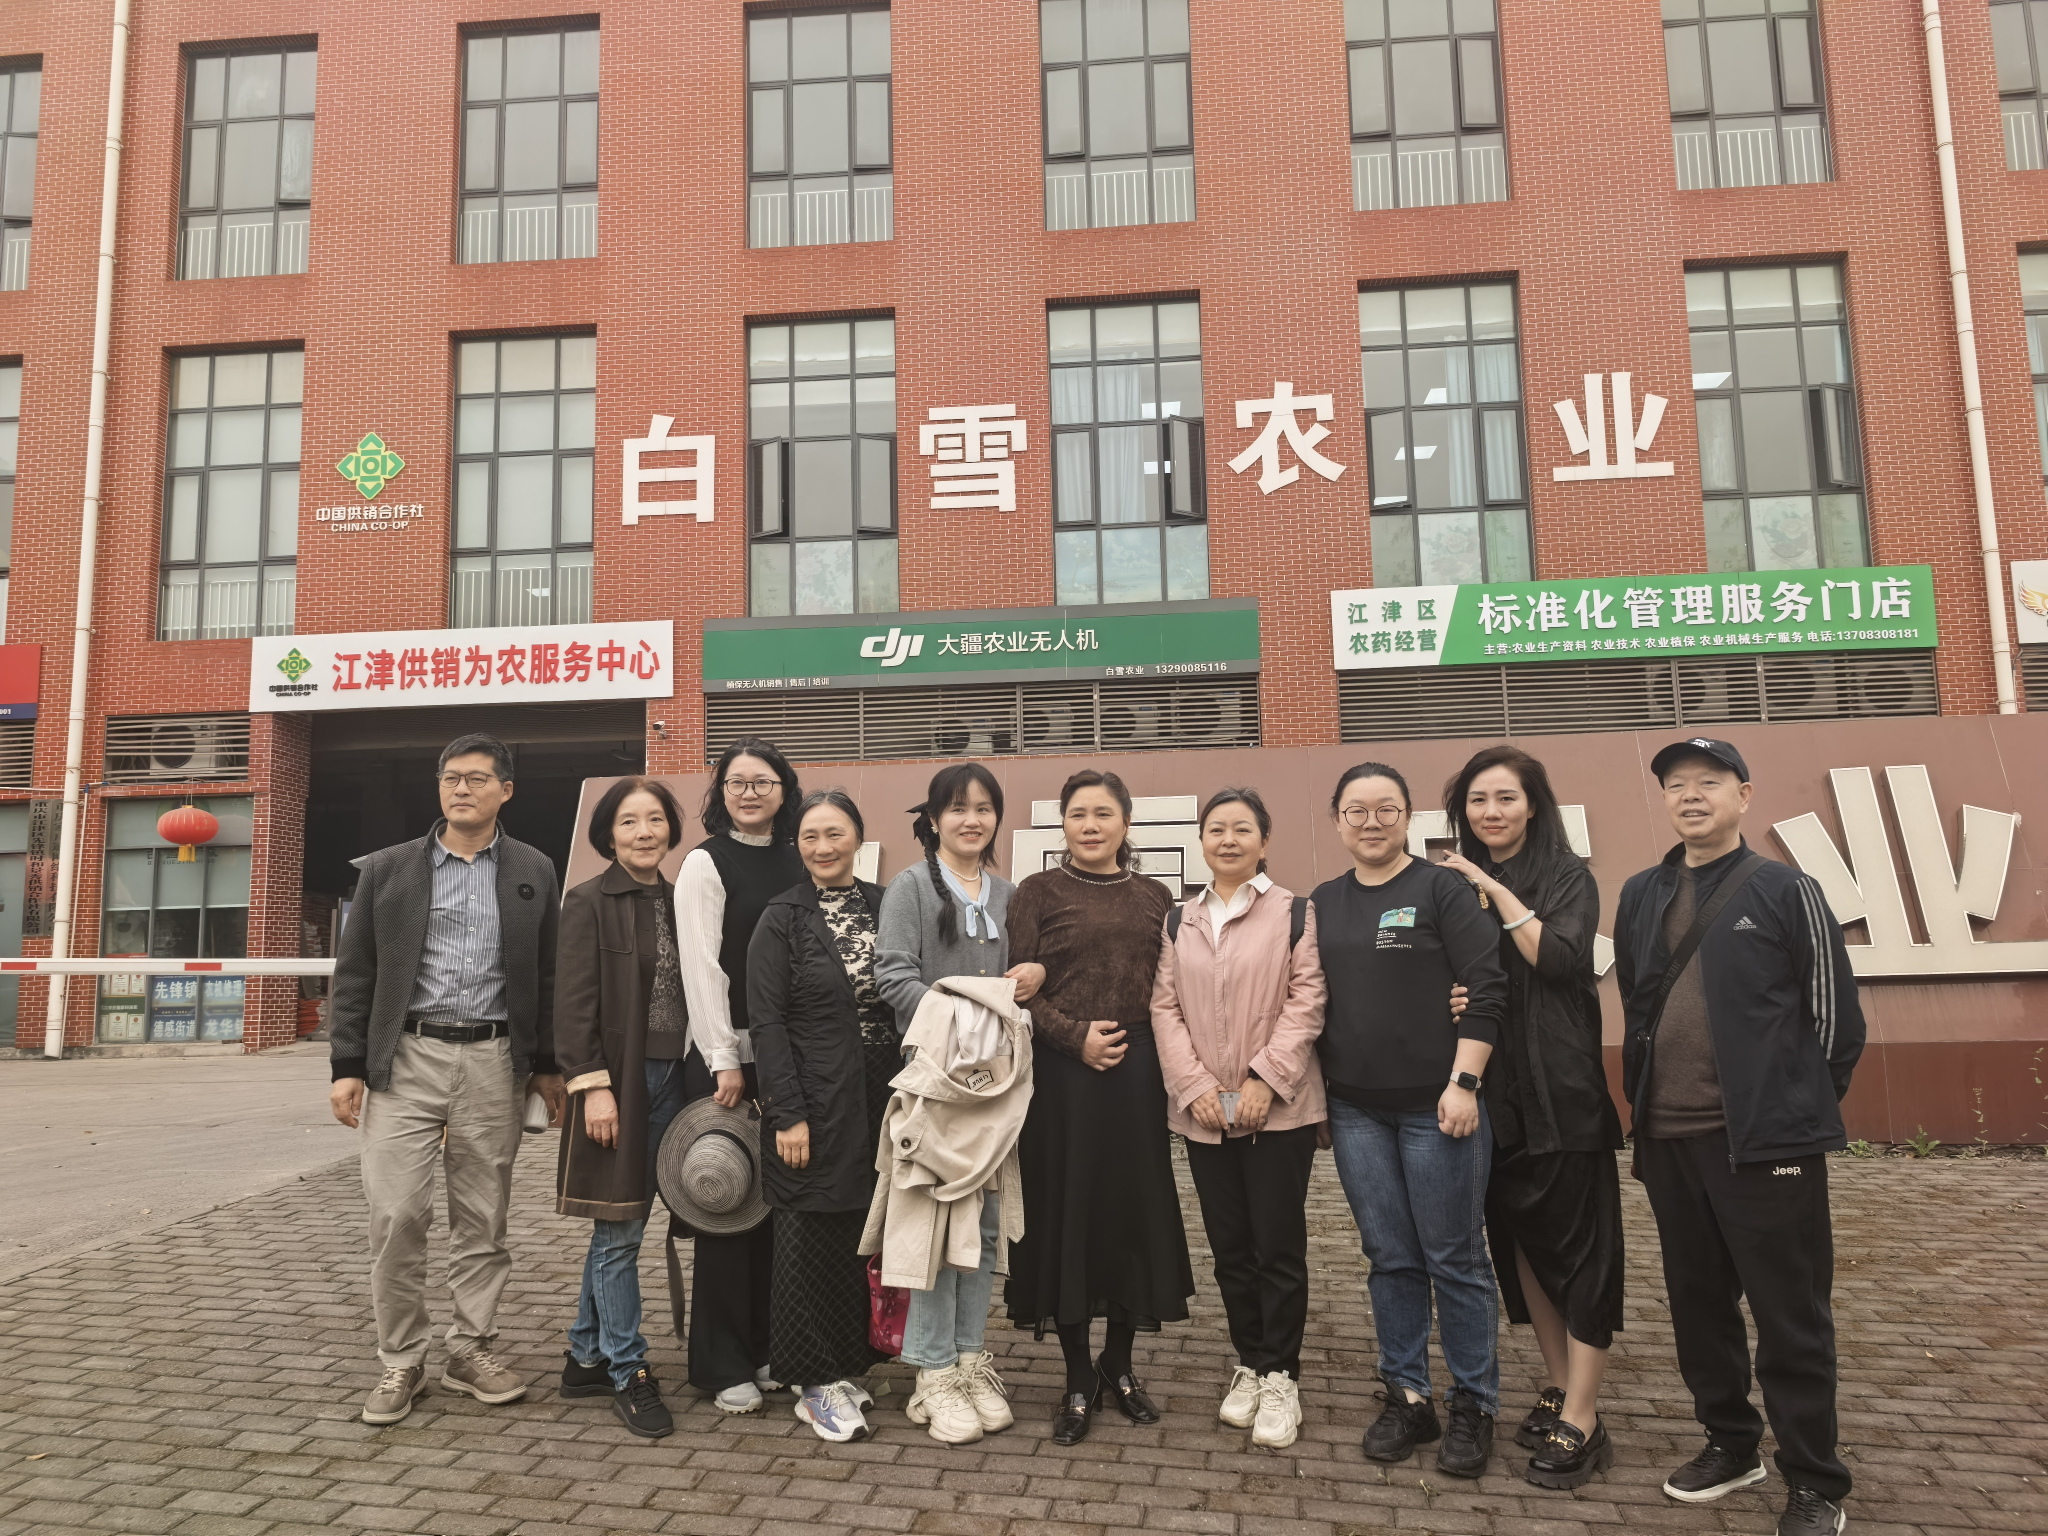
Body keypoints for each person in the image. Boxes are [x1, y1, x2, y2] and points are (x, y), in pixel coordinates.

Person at [1616, 738, 1864, 1536]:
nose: (1691, 796)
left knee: (1790, 1317)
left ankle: (1815, 1481)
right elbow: (1638, 1004)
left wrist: (1789, 1112)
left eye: (1709, 782)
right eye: (1676, 785)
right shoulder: (1641, 893)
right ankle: (1730, 1443)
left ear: (1744, 796)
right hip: (1670, 1139)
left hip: (1765, 1146)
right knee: (1698, 1306)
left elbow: (1836, 1020)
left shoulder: (1786, 889)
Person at [327, 733, 564, 1427]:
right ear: (438, 788)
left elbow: (550, 973)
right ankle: (402, 1359)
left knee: (483, 1218)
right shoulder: (389, 868)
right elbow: (355, 973)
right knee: (396, 1213)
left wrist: (547, 1064)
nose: (462, 788)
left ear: (505, 791)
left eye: (478, 778)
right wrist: (347, 1067)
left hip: (494, 1059)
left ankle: (470, 1349)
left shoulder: (533, 869)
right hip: (405, 1058)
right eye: (451, 777)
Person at [1313, 761, 1508, 1479]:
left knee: (1454, 1257)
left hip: (1438, 1105)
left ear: (1408, 816)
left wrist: (1464, 1083)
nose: (1371, 822)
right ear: (1338, 820)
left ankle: (1474, 1403)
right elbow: (1309, 1000)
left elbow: (1486, 987)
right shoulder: (1323, 901)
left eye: (1386, 809)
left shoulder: (1441, 889)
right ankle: (1408, 1395)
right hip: (1355, 1109)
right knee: (1389, 1256)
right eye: (1357, 810)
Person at [1438, 745, 1625, 1489]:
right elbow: (1457, 974)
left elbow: (1561, 959)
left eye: (1506, 798)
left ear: (1534, 805)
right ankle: (1557, 1385)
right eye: (1477, 800)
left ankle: (1585, 1414)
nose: (1491, 812)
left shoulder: (1566, 876)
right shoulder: (1454, 887)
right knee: (1521, 1245)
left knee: (1581, 1253)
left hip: (1561, 1094)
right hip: (1494, 1097)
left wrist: (1491, 887)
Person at [1004, 768, 1192, 1447]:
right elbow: (1016, 990)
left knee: (1128, 1216)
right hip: (1062, 1079)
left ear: (1126, 823)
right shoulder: (1037, 891)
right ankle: (1078, 1375)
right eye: (1078, 813)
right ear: (1063, 823)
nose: (1090, 825)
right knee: (1070, 1215)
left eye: (1103, 813)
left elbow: (1171, 987)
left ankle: (1119, 1363)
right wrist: (1072, 1037)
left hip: (1137, 1075)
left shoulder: (1155, 896)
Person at [872, 762, 1045, 1444]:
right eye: (957, 808)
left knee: (987, 1230)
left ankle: (971, 1358)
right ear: (934, 819)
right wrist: (969, 1020)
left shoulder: (1010, 894)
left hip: (996, 1091)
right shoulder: (910, 887)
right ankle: (933, 1372)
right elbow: (893, 978)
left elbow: (1024, 976)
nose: (971, 820)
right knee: (934, 1233)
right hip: (935, 1087)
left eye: (983, 808)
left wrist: (1035, 975)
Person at [1150, 787, 1326, 1451]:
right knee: (1229, 1249)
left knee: (1276, 1246)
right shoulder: (1180, 920)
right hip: (1206, 1111)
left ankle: (1282, 1375)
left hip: (1278, 1109)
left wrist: (1264, 1080)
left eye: (1242, 829)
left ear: (1263, 840)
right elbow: (1164, 1008)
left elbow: (1307, 1002)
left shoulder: (1295, 912)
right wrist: (1195, 1086)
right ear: (1201, 841)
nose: (1228, 839)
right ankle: (1250, 1362)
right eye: (1216, 829)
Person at [749, 789, 896, 1442]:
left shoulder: (887, 905)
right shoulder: (781, 917)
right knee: (806, 1237)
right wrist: (787, 1115)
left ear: (858, 838)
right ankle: (811, 1383)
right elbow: (766, 1022)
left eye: (834, 834)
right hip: (812, 1098)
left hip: (880, 1097)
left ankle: (843, 1366)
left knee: (857, 1235)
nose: (822, 847)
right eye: (809, 836)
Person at [553, 776, 691, 1438]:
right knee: (621, 1228)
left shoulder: (684, 897)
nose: (644, 831)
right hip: (621, 1080)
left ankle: (585, 1356)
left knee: (623, 1221)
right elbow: (572, 1004)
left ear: (671, 829)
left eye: (655, 819)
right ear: (608, 833)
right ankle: (627, 1369)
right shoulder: (587, 901)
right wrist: (593, 1086)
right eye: (629, 821)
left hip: (679, 1080)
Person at [673, 737, 804, 1412]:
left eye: (762, 782)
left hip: (790, 1058)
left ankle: (768, 1346)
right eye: (736, 782)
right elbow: (701, 967)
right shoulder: (705, 862)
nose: (749, 793)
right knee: (727, 1207)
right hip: (729, 1060)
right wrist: (723, 1056)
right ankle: (723, 1362)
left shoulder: (799, 855)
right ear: (720, 792)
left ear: (785, 790)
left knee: (780, 1212)